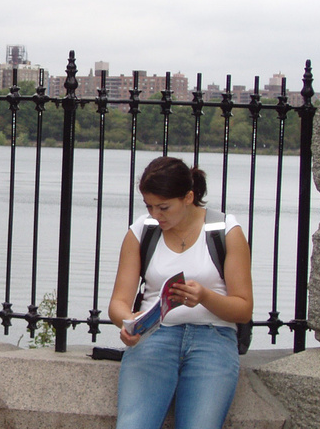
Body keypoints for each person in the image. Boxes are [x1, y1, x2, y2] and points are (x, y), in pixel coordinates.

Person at [108, 156, 253, 428]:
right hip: (155, 336)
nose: (156, 215)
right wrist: (128, 323)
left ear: (188, 197)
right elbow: (118, 301)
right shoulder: (142, 232)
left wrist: (205, 297)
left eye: (164, 207)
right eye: (149, 206)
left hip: (214, 338)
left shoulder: (225, 231)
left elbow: (244, 309)